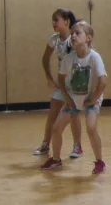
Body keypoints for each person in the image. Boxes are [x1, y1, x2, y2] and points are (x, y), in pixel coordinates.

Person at [40, 21, 107, 175]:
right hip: (74, 98)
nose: (73, 36)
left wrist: (93, 99)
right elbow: (61, 79)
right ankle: (56, 159)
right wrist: (67, 98)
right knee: (56, 128)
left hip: (91, 99)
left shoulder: (94, 57)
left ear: (88, 38)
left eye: (78, 33)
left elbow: (103, 82)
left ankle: (100, 162)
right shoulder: (68, 59)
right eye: (72, 34)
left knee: (91, 128)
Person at [34, 9, 83, 160]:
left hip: (75, 84)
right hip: (62, 83)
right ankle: (45, 144)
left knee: (74, 114)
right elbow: (45, 59)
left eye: (57, 19)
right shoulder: (54, 39)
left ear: (67, 21)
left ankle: (78, 146)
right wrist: (49, 77)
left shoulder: (74, 38)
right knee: (52, 114)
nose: (54, 23)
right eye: (53, 20)